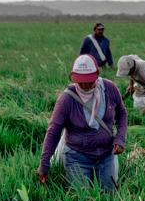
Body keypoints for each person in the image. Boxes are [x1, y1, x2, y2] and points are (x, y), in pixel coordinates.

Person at [37, 54, 127, 191]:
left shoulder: (109, 89)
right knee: (80, 198)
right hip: (77, 157)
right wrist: (44, 164)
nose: (84, 85)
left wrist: (120, 138)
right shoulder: (67, 99)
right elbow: (53, 132)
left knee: (108, 197)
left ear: (97, 74)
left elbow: (121, 113)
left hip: (106, 155)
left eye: (89, 81)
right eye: (81, 82)